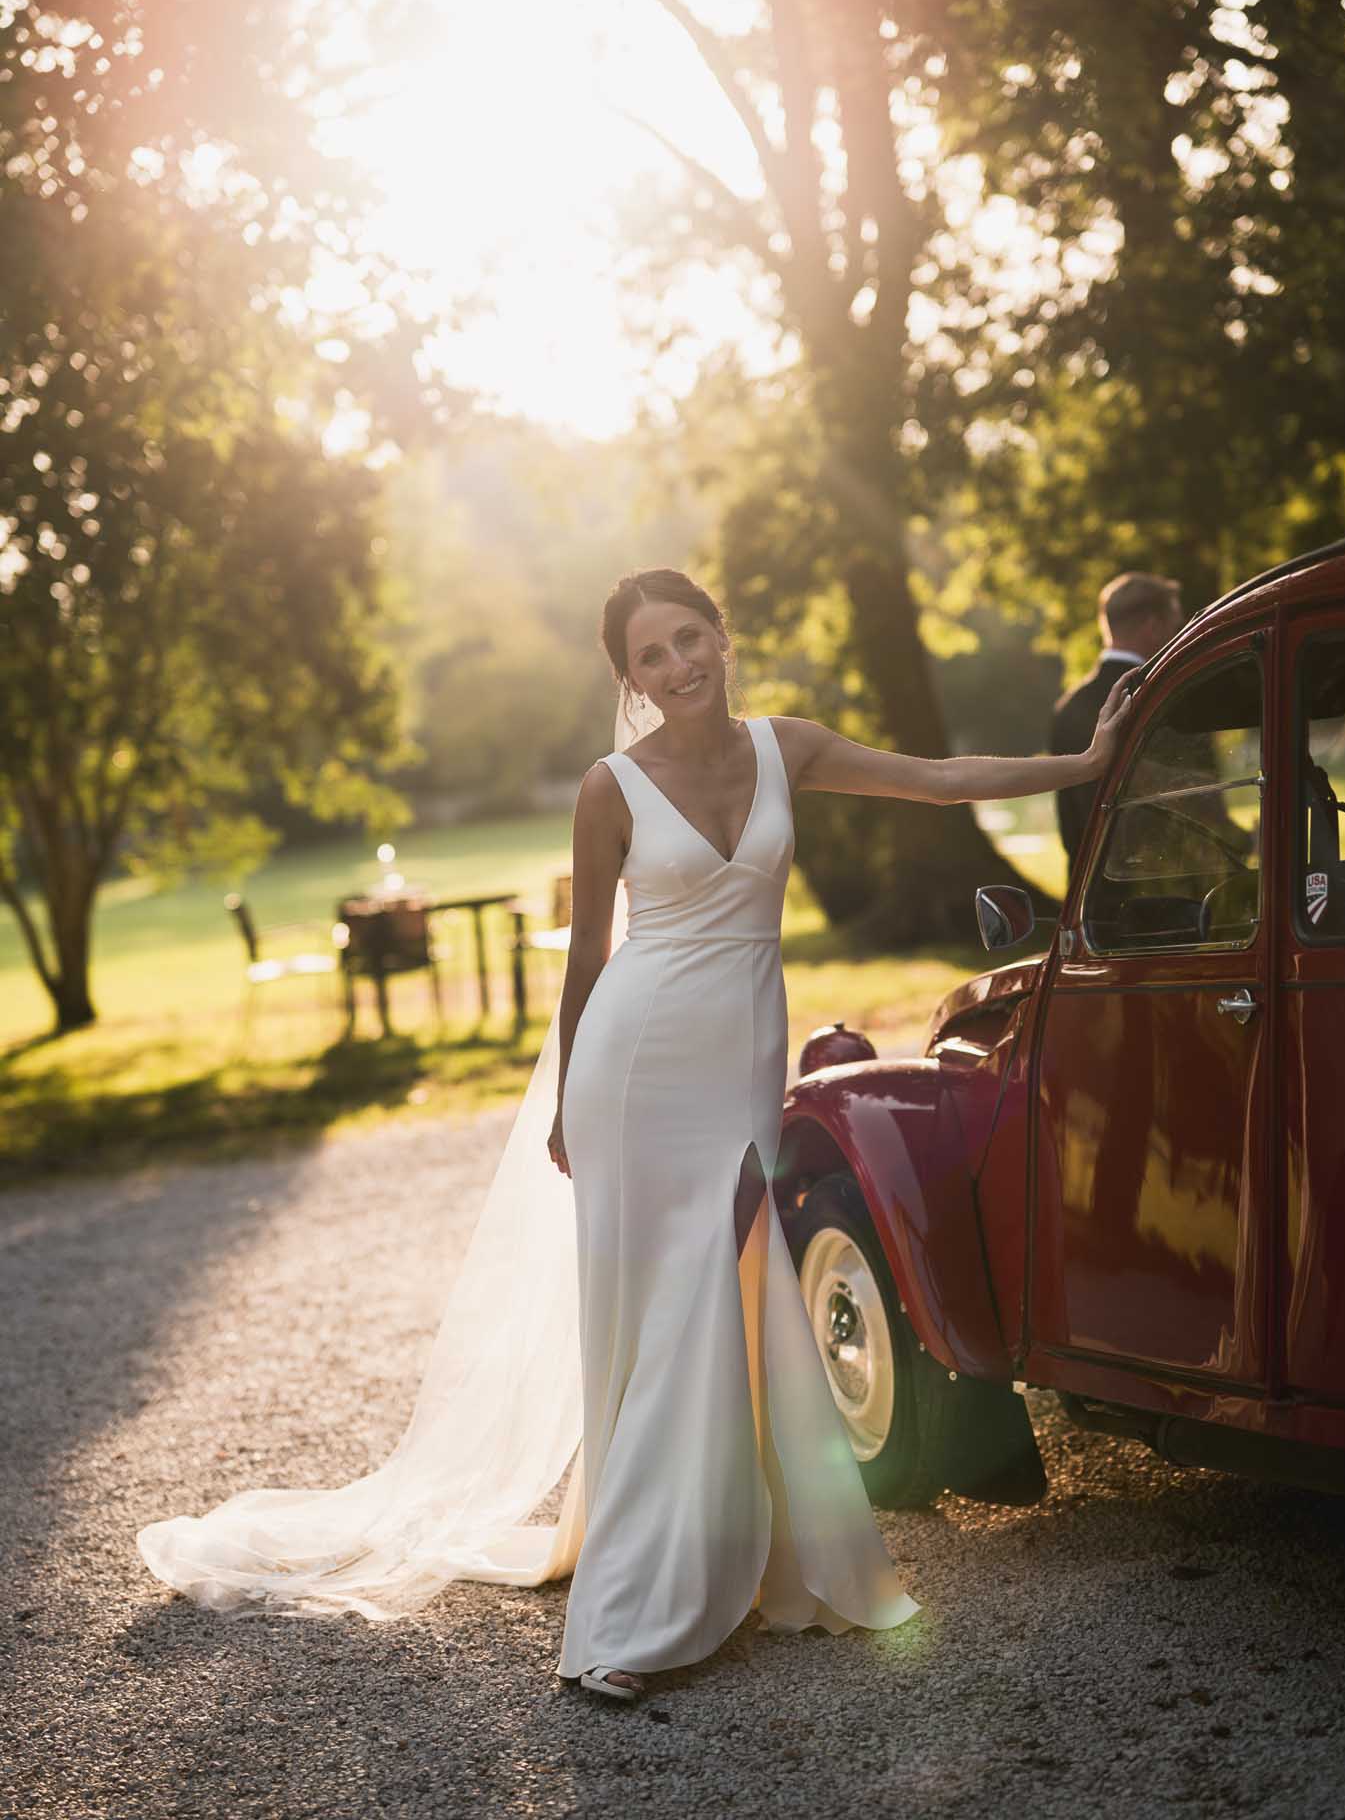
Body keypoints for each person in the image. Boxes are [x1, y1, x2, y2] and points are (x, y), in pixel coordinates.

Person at [137, 567, 1132, 1706]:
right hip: (630, 1070)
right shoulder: (608, 788)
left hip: (737, 1061)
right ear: (629, 679)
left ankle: (747, 1552)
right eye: (649, 655)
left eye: (688, 637)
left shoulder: (786, 745)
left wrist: (1086, 761)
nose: (676, 666)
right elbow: (585, 958)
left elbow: (943, 780)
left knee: (732, 1293)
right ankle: (632, 1611)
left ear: (722, 635)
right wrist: (566, 1098)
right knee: (664, 1318)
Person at [1049, 571, 1183, 880]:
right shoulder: (1161, 695)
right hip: (1157, 886)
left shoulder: (1067, 707)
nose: (1176, 637)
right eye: (1175, 628)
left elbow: (1071, 819)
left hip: (1089, 889)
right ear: (1152, 626)